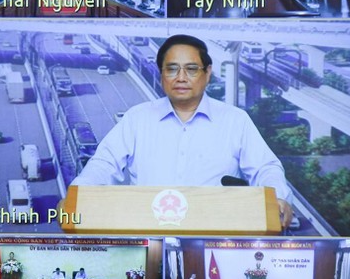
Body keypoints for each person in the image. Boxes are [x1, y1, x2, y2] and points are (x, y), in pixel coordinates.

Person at [72, 35, 293, 228]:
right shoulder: (137, 118)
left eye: (191, 69)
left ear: (207, 74)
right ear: (161, 75)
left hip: (212, 241)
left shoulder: (235, 120)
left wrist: (277, 197)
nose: (181, 77)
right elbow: (104, 164)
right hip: (148, 239)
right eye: (172, 69)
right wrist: (77, 195)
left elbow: (265, 167)